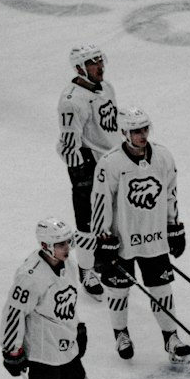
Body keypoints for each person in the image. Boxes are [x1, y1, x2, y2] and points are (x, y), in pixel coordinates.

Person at [90, 106, 190, 363]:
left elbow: (170, 193)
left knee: (162, 287)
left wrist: (174, 226)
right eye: (136, 131)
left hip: (154, 237)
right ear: (124, 132)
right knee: (118, 291)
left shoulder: (163, 157)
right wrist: (103, 238)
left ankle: (171, 338)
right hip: (122, 240)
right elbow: (100, 201)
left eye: (145, 129)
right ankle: (121, 334)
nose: (142, 135)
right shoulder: (110, 163)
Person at [0, 217, 90, 379]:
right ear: (45, 245)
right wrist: (11, 349)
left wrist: (78, 329)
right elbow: (13, 313)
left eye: (67, 242)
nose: (67, 248)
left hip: (67, 346)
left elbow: (69, 302)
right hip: (42, 353)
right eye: (61, 244)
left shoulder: (68, 265)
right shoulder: (30, 276)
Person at [56, 45, 119, 299]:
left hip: (113, 161)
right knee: (87, 222)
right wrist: (81, 174)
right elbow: (70, 145)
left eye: (100, 61)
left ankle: (108, 260)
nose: (100, 66)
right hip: (88, 165)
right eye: (93, 63)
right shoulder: (72, 102)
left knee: (113, 217)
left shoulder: (107, 87)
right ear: (80, 68)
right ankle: (86, 269)